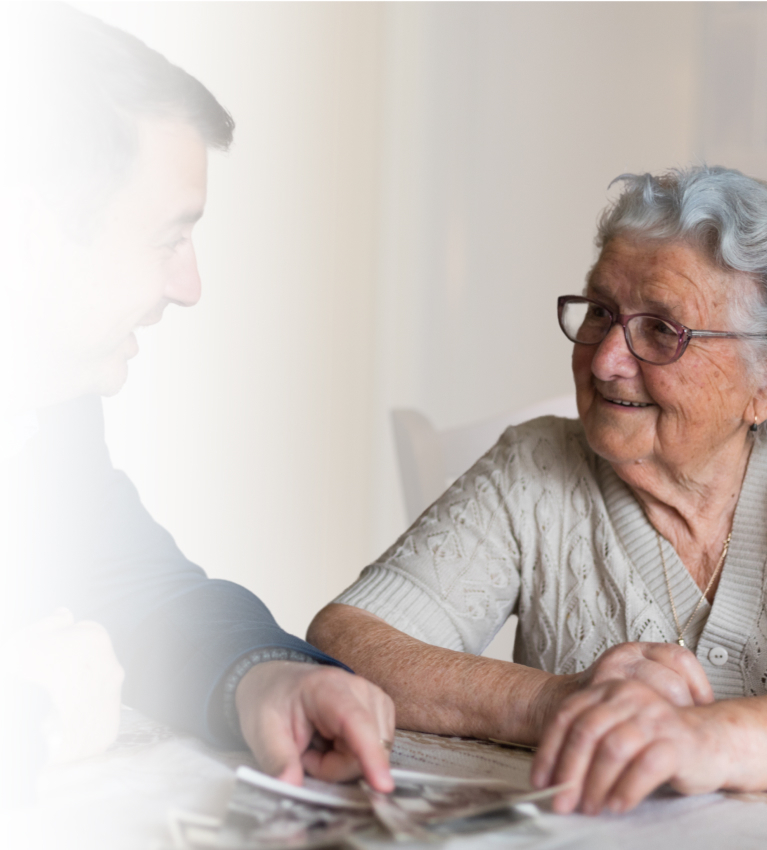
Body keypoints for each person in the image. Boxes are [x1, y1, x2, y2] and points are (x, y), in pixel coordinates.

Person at [0, 4, 393, 805]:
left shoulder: (50, 408)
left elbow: (132, 582)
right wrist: (28, 720)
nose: (189, 286)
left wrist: (266, 678)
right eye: (166, 238)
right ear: (29, 233)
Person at [309, 164, 767, 815]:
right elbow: (342, 641)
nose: (607, 358)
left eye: (661, 329)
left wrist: (714, 737)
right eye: (601, 312)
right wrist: (555, 701)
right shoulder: (534, 469)